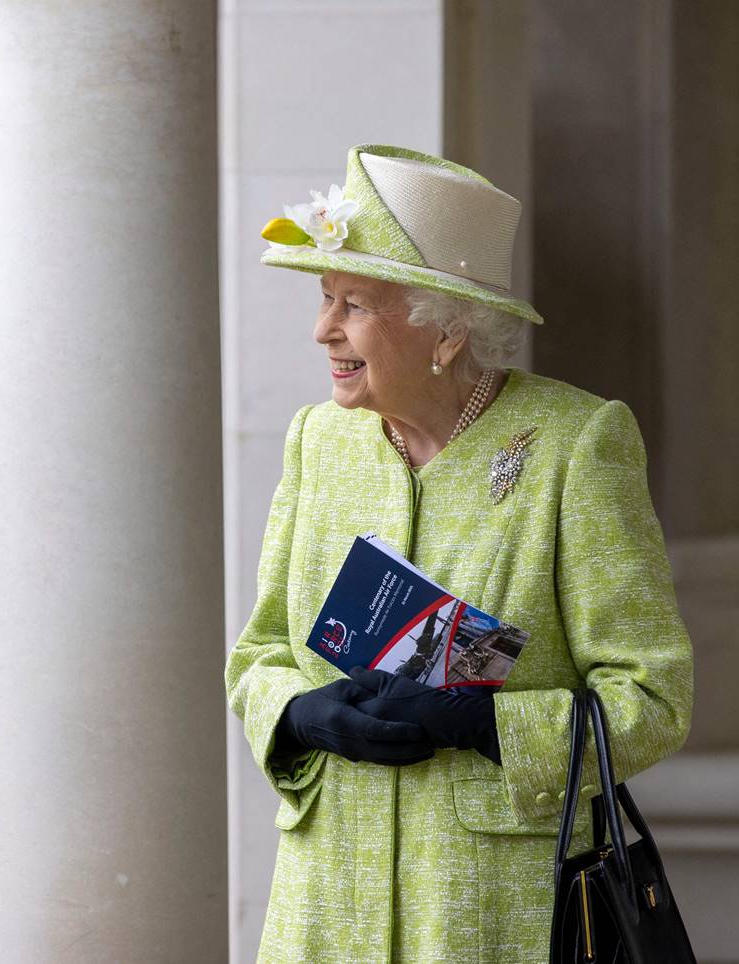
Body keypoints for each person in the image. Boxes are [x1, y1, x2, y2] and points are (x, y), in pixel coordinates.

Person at [224, 144, 693, 962]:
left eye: (353, 305)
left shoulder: (575, 444)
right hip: (329, 904)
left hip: (494, 913)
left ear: (444, 327)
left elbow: (654, 699)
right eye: (326, 298)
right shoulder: (319, 440)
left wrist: (489, 724)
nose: (321, 330)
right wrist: (298, 714)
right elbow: (260, 654)